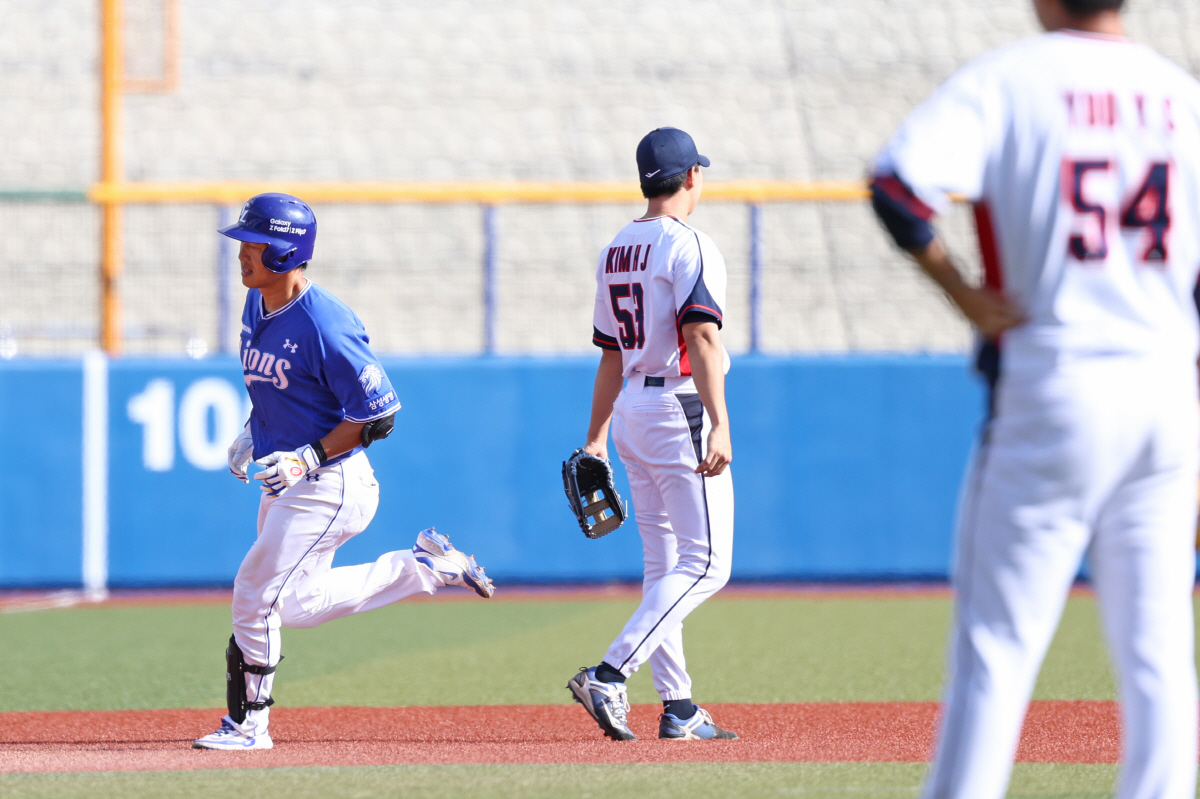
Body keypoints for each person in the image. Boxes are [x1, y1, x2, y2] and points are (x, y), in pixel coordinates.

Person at [869, 1, 1200, 796]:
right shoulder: (1180, 94)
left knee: (997, 644)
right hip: (1167, 387)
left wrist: (962, 292)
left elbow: (897, 187)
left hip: (1055, 377)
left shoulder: (1011, 79)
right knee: (1158, 649)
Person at [193, 192, 495, 751]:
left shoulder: (326, 323)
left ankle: (250, 726)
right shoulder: (257, 304)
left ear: (286, 252)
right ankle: (425, 567)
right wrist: (252, 430)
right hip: (288, 480)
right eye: (242, 242)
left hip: (329, 484)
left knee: (254, 593)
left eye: (254, 243)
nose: (242, 253)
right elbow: (281, 387)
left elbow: (379, 415)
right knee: (296, 605)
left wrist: (307, 456)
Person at [566, 128, 738, 742]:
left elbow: (611, 355)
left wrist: (596, 437)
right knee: (708, 564)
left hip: (634, 412)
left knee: (665, 563)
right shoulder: (690, 243)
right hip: (678, 407)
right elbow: (701, 335)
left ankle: (679, 706)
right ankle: (610, 673)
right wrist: (720, 422)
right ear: (691, 176)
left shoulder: (616, 247)